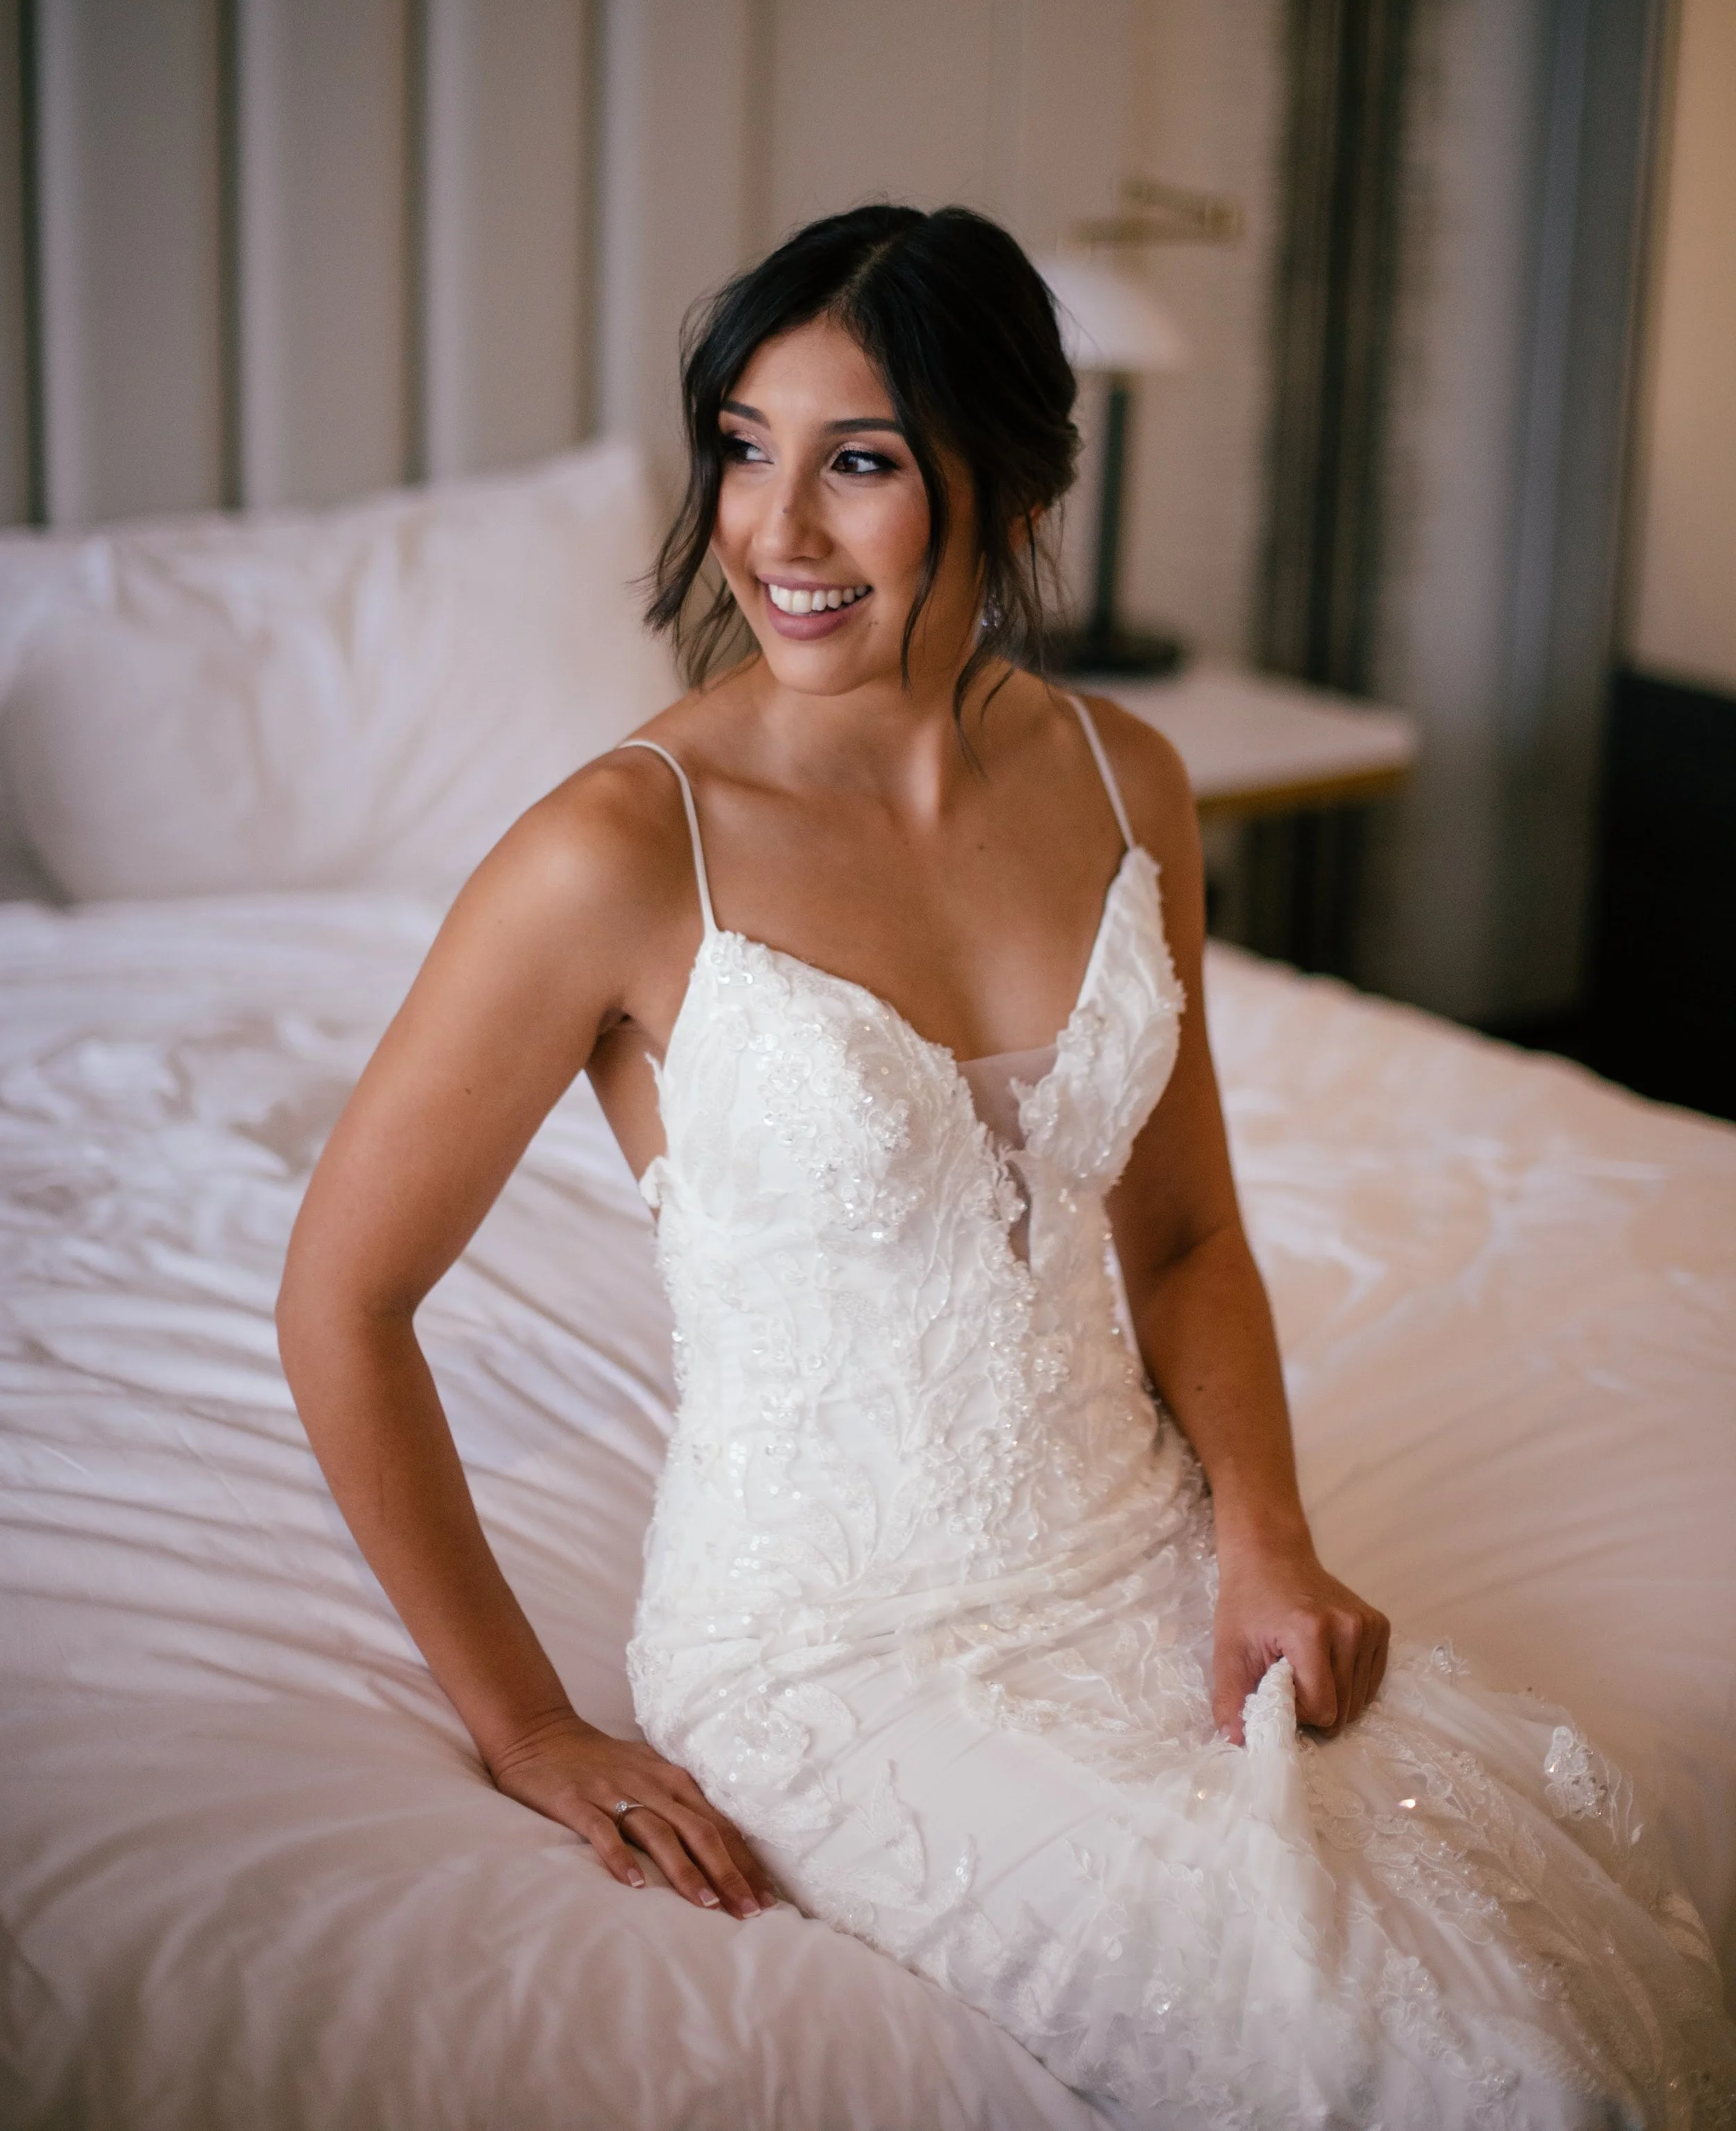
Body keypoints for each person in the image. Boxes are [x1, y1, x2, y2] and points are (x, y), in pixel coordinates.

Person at [278, 205, 1735, 2128]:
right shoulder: (618, 850)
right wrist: (528, 1720)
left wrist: (1263, 1534)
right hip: (836, 1648)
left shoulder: (1128, 781)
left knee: (1529, 1962)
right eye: (741, 444)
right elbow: (341, 1301)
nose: (773, 532)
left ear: (1015, 475)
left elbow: (1189, 1229)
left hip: (1142, 1554)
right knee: (1448, 2065)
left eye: (857, 461)